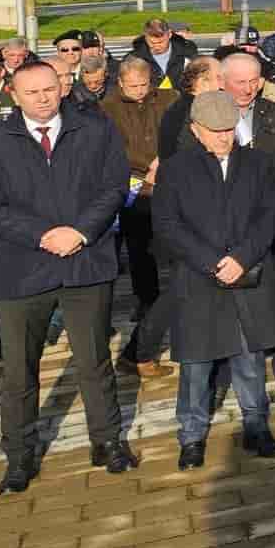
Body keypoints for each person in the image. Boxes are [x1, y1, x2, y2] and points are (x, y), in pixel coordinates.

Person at [0, 59, 135, 490]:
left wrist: (80, 231)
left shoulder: (94, 129)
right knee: (19, 370)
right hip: (23, 268)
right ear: (13, 94)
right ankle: (20, 456)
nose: (43, 99)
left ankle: (107, 440)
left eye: (49, 89)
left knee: (93, 360)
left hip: (85, 261)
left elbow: (114, 187)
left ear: (61, 88)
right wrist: (44, 235)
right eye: (32, 92)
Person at [153, 90, 275, 466]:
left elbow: (271, 216)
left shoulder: (258, 163)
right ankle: (192, 436)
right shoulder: (175, 169)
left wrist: (243, 258)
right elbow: (167, 225)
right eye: (215, 130)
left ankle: (257, 427)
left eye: (229, 128)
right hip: (198, 279)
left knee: (250, 359)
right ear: (196, 130)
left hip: (248, 276)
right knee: (196, 365)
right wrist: (213, 262)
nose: (224, 136)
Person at [218, 50, 275, 397]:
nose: (249, 88)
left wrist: (272, 194)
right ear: (223, 82)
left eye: (254, 81)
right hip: (223, 228)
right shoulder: (206, 115)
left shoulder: (274, 112)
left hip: (269, 222)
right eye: (240, 82)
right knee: (223, 304)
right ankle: (222, 375)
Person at [104, 57, 177, 378]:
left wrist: (164, 163)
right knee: (138, 248)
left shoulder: (169, 99)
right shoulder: (107, 108)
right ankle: (146, 299)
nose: (137, 90)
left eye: (143, 84)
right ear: (120, 83)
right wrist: (142, 172)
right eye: (131, 85)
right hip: (132, 182)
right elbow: (109, 149)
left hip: (169, 178)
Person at [129, 17, 197, 92]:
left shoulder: (187, 52)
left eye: (161, 42)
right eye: (152, 43)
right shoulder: (133, 58)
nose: (157, 46)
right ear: (145, 37)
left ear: (170, 34)